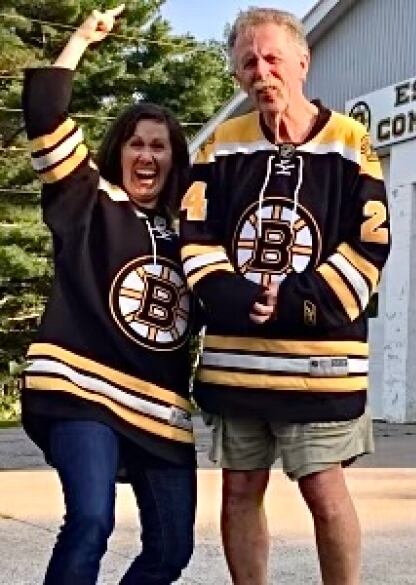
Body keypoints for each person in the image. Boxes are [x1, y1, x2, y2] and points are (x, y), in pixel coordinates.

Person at [179, 7, 391, 585]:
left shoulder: (350, 141)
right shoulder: (220, 146)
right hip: (236, 363)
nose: (261, 70)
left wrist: (298, 300)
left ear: (303, 61)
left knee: (324, 491)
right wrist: (231, 295)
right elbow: (194, 236)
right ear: (237, 76)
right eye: (248, 61)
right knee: (240, 488)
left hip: (320, 367)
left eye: (272, 57)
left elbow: (369, 243)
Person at [19, 6, 197, 584]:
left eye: (161, 146)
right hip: (80, 387)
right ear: (119, 149)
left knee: (171, 549)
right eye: (137, 143)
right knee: (91, 520)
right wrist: (80, 40)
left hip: (159, 406)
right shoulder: (86, 198)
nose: (147, 156)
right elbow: (46, 114)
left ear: (175, 160)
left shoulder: (194, 232)